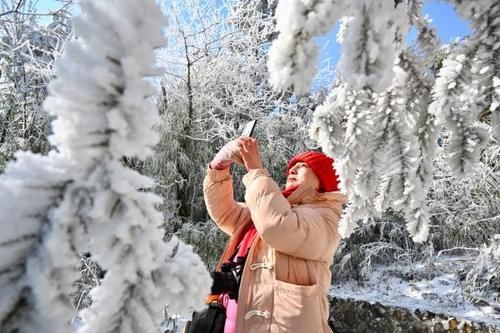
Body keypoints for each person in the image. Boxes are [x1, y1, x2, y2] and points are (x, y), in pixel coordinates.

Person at [203, 136, 347, 333]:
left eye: (303, 166)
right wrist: (219, 167)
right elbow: (226, 213)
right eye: (291, 168)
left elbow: (277, 227)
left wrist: (255, 171)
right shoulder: (272, 208)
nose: (292, 170)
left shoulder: (327, 217)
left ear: (324, 179)